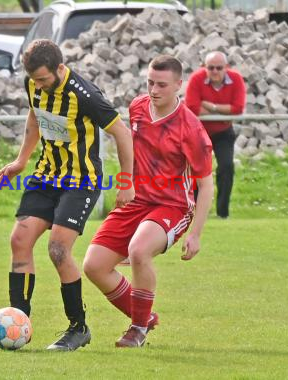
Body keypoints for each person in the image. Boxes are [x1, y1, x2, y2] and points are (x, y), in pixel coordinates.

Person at [0, 39, 135, 351]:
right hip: (46, 175)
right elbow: (35, 117)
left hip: (81, 181)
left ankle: (78, 328)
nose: (39, 85)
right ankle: (17, 320)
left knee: (58, 250)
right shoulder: (34, 84)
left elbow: (123, 134)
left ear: (60, 68)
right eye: (35, 80)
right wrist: (21, 161)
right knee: (19, 240)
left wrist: (126, 183)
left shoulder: (85, 95)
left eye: (44, 79)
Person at [83, 55, 214, 348]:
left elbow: (206, 185)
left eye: (162, 85)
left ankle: (138, 330)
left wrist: (195, 234)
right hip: (136, 201)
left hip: (172, 206)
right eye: (150, 83)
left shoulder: (191, 129)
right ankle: (144, 316)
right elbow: (128, 146)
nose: (154, 90)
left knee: (139, 250)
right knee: (94, 266)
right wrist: (125, 182)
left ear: (179, 85)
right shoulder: (138, 107)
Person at [184, 51, 246, 218]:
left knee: (226, 167)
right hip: (198, 132)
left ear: (226, 68)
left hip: (223, 133)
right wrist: (224, 111)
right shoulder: (197, 79)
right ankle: (195, 212)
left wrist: (210, 106)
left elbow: (238, 108)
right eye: (211, 68)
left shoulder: (236, 79)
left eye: (219, 68)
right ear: (204, 68)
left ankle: (222, 213)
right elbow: (192, 106)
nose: (215, 72)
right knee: (196, 171)